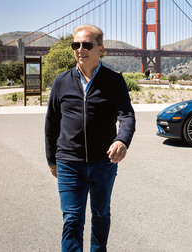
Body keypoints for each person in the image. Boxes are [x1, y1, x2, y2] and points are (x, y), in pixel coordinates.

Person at [45, 24, 136, 251]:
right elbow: (52, 123)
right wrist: (51, 159)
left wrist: (122, 140)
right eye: (76, 45)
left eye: (87, 44)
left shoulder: (114, 81)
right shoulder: (61, 81)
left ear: (100, 49)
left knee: (101, 214)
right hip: (69, 162)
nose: (80, 49)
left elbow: (126, 115)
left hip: (103, 163)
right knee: (72, 219)